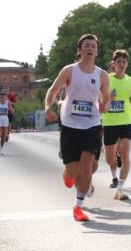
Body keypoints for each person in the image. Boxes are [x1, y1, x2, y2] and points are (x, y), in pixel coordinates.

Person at [44, 33, 110, 222]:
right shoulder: (69, 71)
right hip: (70, 123)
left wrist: (105, 105)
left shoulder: (101, 75)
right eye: (86, 46)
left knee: (88, 165)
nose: (90, 49)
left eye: (93, 46)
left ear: (97, 52)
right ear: (80, 50)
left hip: (92, 123)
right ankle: (70, 175)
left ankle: (79, 207)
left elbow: (106, 98)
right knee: (73, 172)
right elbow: (52, 90)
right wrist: (48, 107)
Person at [102, 49, 131, 200]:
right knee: (109, 158)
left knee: (126, 154)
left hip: (125, 121)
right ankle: (114, 160)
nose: (121, 64)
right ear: (113, 64)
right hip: (109, 122)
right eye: (118, 61)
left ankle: (120, 188)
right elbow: (98, 97)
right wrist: (108, 98)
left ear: (127, 64)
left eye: (124, 62)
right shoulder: (106, 78)